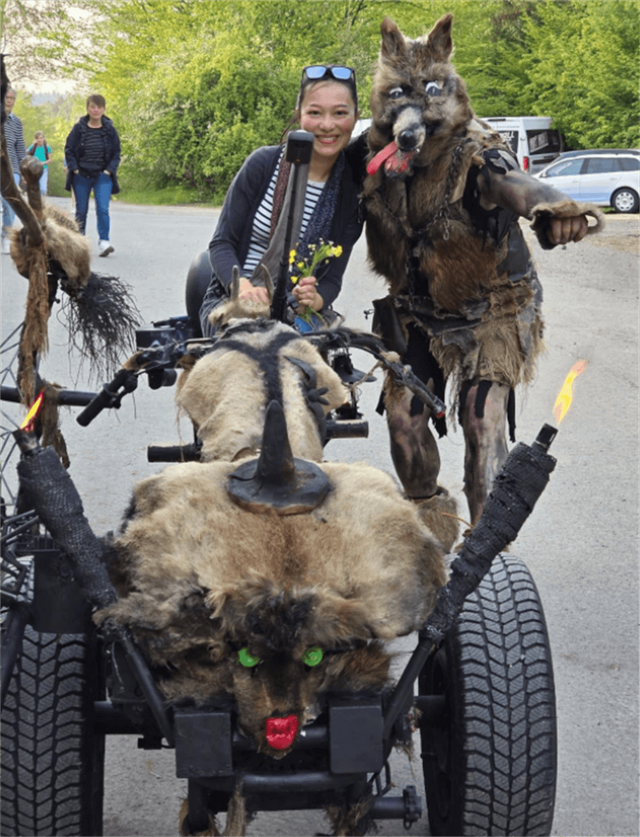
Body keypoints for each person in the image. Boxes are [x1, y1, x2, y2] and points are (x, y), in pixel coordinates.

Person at [199, 64, 365, 335]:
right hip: (233, 301)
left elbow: (332, 279)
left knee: (318, 368)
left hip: (298, 315)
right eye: (314, 112)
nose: (327, 125)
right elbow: (221, 243)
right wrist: (243, 287)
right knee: (250, 351)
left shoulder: (352, 194)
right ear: (299, 114)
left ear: (356, 117)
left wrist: (316, 298)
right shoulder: (262, 164)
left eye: (340, 113)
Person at [64, 94, 121, 257]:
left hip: (102, 176)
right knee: (81, 210)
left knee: (103, 208)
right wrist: (74, 169)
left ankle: (104, 241)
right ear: (87, 108)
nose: (96, 110)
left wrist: (109, 170)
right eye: (92, 107)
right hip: (81, 175)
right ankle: (79, 242)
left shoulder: (109, 129)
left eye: (99, 107)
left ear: (104, 109)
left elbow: (117, 152)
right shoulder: (78, 128)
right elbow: (69, 149)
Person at [2, 87, 26, 254]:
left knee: (11, 205)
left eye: (12, 98)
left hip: (12, 170)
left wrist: (24, 171)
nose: (9, 100)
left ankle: (6, 236)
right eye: (6, 97)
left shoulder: (16, 122)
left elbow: (20, 148)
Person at [26, 131, 52, 195]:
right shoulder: (32, 147)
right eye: (37, 138)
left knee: (43, 189)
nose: (39, 140)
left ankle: (42, 202)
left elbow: (49, 160)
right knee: (34, 188)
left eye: (40, 138)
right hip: (33, 170)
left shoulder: (47, 148)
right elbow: (27, 156)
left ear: (43, 138)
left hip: (44, 169)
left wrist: (41, 163)